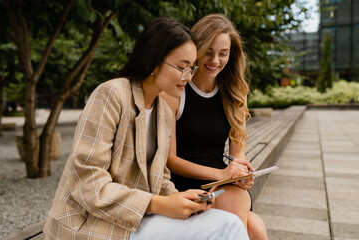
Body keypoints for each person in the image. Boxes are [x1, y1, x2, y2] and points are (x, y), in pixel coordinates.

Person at [43, 16, 249, 240]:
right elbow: (88, 183)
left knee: (229, 223)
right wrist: (160, 203)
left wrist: (185, 200)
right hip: (92, 224)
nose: (188, 77)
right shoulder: (111, 94)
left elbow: (159, 178)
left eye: (191, 68)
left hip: (137, 218)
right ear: (152, 62)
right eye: (182, 68)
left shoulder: (161, 109)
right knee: (228, 227)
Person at [161, 14, 268, 239]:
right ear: (195, 49)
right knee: (255, 228)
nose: (215, 60)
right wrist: (221, 172)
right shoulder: (176, 91)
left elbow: (237, 153)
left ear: (232, 54)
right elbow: (171, 160)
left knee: (255, 227)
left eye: (223, 53)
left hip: (222, 182)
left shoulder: (236, 93)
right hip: (183, 184)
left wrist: (241, 172)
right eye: (208, 52)